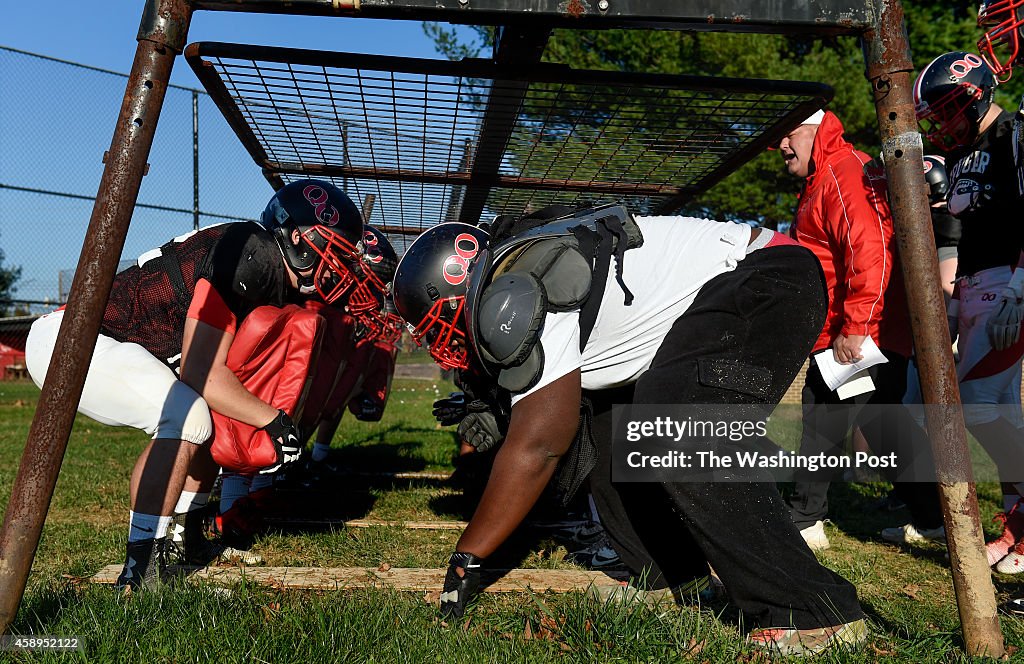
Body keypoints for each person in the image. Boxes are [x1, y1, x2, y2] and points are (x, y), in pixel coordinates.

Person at [393, 206, 867, 656]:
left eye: (436, 326)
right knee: (604, 427)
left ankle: (813, 610)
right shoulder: (523, 268)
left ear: (459, 290)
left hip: (767, 276)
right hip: (730, 290)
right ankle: (668, 575)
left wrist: (468, 556)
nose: (441, 344)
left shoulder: (518, 287)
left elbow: (540, 445)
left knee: (683, 428)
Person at [24, 178, 367, 588]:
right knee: (190, 419)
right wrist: (274, 421)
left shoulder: (265, 262)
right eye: (334, 252)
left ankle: (187, 537)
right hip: (73, 338)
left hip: (104, 341)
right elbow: (201, 373)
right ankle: (141, 567)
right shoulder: (254, 253)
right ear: (297, 237)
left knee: (207, 419)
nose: (338, 268)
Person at [776, 109, 944, 549]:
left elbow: (869, 250)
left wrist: (857, 327)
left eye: (789, 135)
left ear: (814, 129)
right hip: (862, 326)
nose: (781, 146)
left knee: (823, 412)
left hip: (857, 330)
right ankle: (934, 517)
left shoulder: (842, 172)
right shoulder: (828, 175)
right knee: (885, 423)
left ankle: (805, 520)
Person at [915, 50, 1024, 571]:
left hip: (1010, 282)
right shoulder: (962, 154)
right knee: (1003, 409)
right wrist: (955, 307)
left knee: (976, 402)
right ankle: (1018, 530)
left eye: (944, 108)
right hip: (976, 287)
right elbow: (956, 235)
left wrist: (1020, 287)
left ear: (972, 93)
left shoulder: (1013, 134)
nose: (939, 120)